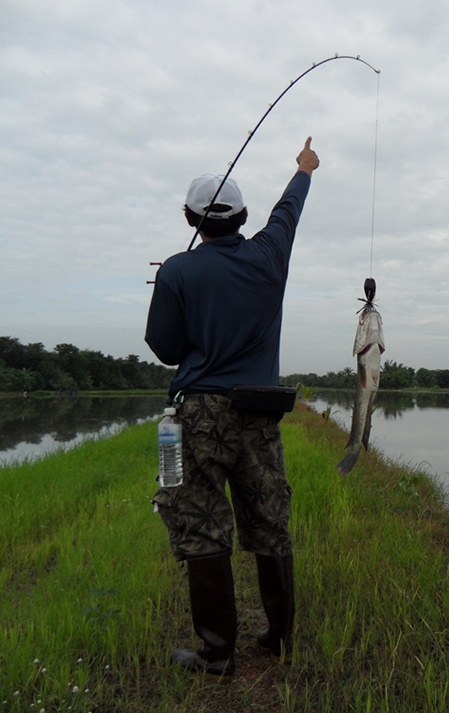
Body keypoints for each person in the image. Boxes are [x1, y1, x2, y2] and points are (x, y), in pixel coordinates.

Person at [145, 137, 320, 682]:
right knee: (270, 519)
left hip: (196, 416)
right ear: (243, 216)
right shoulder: (270, 254)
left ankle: (218, 655)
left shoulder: (177, 270)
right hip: (260, 414)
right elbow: (286, 215)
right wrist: (303, 170)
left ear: (191, 219)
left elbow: (166, 348)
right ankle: (279, 641)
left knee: (200, 524)